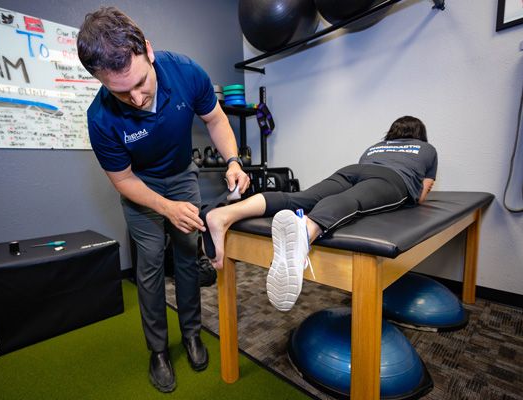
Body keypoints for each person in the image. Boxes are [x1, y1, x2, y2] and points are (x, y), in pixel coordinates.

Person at [77, 7, 250, 393]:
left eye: (140, 83)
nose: (136, 98)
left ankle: (191, 334)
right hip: (141, 187)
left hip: (182, 175)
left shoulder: (186, 72)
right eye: (121, 92)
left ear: (148, 51)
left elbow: (217, 120)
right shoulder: (100, 118)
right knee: (151, 266)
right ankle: (157, 350)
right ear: (101, 81)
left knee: (188, 257)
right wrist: (166, 207)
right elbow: (122, 179)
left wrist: (233, 160)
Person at [203, 116, 437, 311]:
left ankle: (225, 214)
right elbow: (420, 195)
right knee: (353, 201)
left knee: (300, 197)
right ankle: (305, 231)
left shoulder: (375, 147)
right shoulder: (427, 149)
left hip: (351, 170)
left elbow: (359, 178)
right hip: (392, 179)